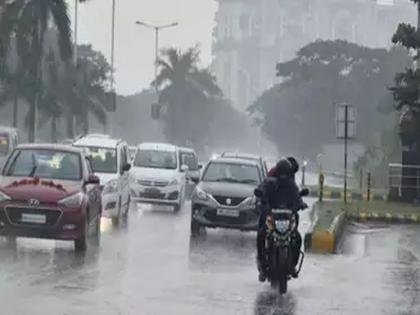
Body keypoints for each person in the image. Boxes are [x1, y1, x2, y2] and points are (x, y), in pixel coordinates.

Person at [256, 157, 306, 282]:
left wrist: (300, 203)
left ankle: (293, 265)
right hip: (272, 217)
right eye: (281, 174)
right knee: (261, 234)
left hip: (286, 218)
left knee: (297, 237)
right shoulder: (269, 183)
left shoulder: (291, 186)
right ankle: (262, 264)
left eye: (286, 174)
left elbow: (297, 197)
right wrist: (263, 201)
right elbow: (262, 190)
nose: (283, 177)